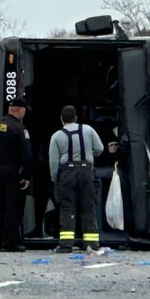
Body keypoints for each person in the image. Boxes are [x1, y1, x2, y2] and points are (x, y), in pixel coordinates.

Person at [49, 105, 104, 252]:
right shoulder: (88, 130)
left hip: (67, 174)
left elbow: (53, 163)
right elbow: (100, 149)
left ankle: (66, 245)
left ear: (61, 119)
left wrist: (56, 180)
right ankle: (91, 244)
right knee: (88, 207)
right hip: (86, 172)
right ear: (76, 117)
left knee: (67, 209)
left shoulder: (56, 136)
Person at [0, 98, 32, 252]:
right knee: (13, 208)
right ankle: (10, 242)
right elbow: (26, 155)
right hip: (13, 173)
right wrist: (27, 176)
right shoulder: (19, 129)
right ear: (21, 110)